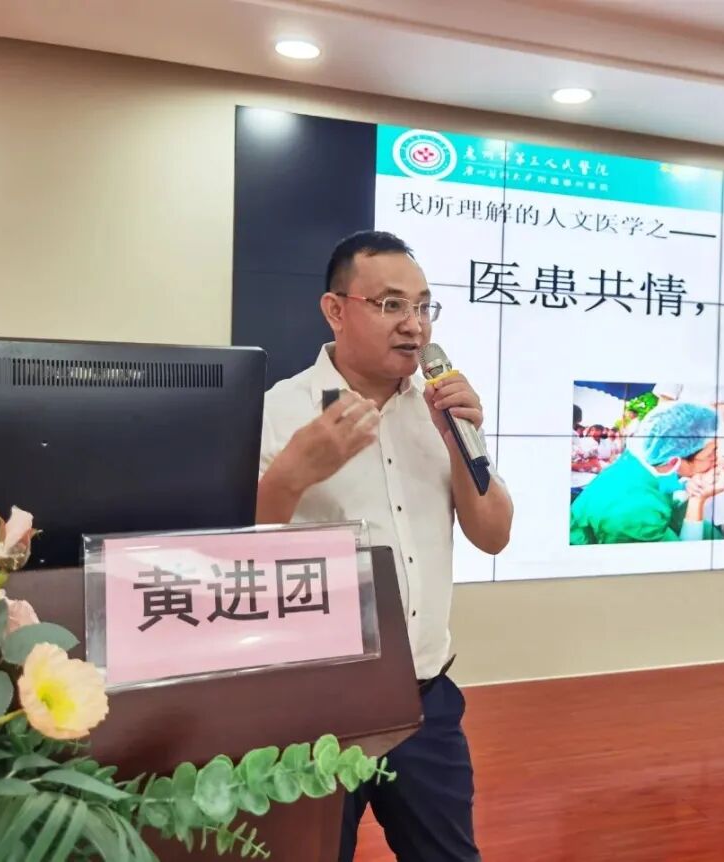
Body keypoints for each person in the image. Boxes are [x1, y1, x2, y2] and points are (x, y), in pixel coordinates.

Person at [256, 230, 513, 862]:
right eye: (391, 304)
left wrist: (459, 441)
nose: (414, 325)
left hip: (426, 701)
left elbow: (493, 535)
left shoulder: (440, 412)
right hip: (315, 712)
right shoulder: (278, 412)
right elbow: (228, 556)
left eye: (424, 306)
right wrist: (291, 476)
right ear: (335, 309)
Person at [569, 402, 724, 544]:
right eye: (711, 454)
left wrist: (689, 485)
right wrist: (697, 500)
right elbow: (681, 561)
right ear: (673, 461)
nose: (717, 459)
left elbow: (663, 489)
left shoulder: (640, 462)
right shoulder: (635, 512)